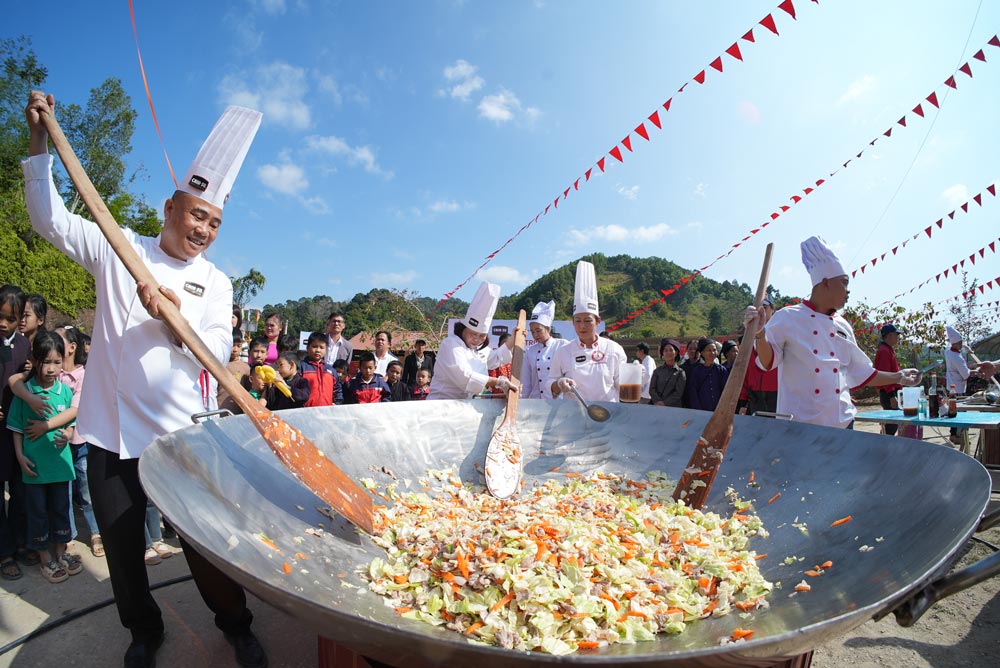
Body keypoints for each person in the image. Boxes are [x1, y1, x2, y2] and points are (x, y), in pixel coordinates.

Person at [24, 93, 267, 668]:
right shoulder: (119, 247)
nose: (204, 229)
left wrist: (174, 318)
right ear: (170, 207)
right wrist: (39, 140)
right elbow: (48, 220)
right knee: (124, 552)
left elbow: (215, 352)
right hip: (110, 438)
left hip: (179, 439)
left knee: (205, 546)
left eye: (214, 222)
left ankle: (236, 625)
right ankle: (143, 632)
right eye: (197, 215)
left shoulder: (217, 283)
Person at [749, 236, 920, 429]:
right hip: (800, 427)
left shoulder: (843, 325)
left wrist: (899, 377)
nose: (848, 291)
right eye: (844, 283)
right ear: (825, 283)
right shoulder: (788, 317)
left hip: (843, 423)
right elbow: (768, 361)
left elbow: (863, 373)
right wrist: (759, 334)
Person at [6, 331, 78, 584]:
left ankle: (61, 552)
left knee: (61, 510)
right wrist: (20, 456)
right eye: (46, 362)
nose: (51, 369)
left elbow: (73, 424)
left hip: (61, 467)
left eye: (57, 362)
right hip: (34, 468)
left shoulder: (66, 392)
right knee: (37, 513)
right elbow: (16, 428)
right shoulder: (25, 393)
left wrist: (68, 434)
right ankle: (45, 558)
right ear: (35, 361)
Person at [547, 261, 627, 402]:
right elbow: (550, 384)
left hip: (609, 412)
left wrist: (635, 377)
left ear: (598, 321)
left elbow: (623, 388)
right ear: (573, 322)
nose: (582, 326)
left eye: (588, 320)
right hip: (573, 412)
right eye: (578, 321)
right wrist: (559, 384)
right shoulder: (563, 351)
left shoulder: (614, 349)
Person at [429, 282, 516, 400]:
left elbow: (496, 358)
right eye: (473, 333)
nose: (476, 339)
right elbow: (464, 377)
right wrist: (498, 382)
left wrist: (513, 339)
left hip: (468, 404)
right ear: (463, 329)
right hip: (443, 403)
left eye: (482, 336)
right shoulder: (451, 344)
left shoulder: (480, 349)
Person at [0, 285, 30, 581]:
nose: (3, 324)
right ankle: (4, 552)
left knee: (20, 489)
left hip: (17, 429)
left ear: (20, 319)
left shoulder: (24, 346)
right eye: (0, 316)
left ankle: (22, 543)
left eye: (10, 319)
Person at [520, 301, 570, 399]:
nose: (535, 335)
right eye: (532, 332)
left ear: (548, 329)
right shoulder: (530, 351)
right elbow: (526, 382)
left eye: (538, 331)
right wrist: (521, 401)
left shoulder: (562, 345)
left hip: (559, 401)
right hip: (536, 401)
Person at [739, 297, 779, 417]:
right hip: (755, 394)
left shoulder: (781, 332)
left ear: (773, 309)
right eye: (757, 308)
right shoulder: (748, 335)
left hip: (777, 394)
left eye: (765, 307)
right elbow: (745, 369)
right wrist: (743, 400)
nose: (760, 311)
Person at [944, 325, 971, 446]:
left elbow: (950, 346)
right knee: (960, 412)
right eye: (959, 343)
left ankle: (953, 435)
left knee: (953, 411)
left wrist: (965, 347)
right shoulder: (957, 358)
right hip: (958, 388)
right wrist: (973, 370)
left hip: (951, 386)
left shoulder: (948, 352)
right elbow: (966, 375)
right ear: (954, 343)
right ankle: (958, 436)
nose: (961, 344)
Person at [299, 331, 343, 407]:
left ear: (326, 350)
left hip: (326, 411)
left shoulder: (331, 370)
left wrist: (337, 404)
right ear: (307, 348)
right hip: (306, 410)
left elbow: (337, 389)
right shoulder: (301, 367)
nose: (318, 350)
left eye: (321, 347)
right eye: (314, 346)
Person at [873, 324, 902, 436]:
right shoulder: (884, 351)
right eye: (896, 335)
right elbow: (885, 375)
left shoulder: (887, 349)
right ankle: (884, 444)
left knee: (891, 424)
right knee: (891, 425)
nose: (897, 337)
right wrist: (891, 396)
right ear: (889, 335)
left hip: (891, 391)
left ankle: (884, 441)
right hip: (889, 392)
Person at [687, 339, 728, 411]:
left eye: (714, 350)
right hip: (702, 411)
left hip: (719, 410)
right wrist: (698, 410)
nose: (712, 353)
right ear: (702, 353)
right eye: (709, 350)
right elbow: (693, 392)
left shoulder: (721, 370)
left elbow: (726, 391)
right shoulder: (697, 371)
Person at [219, 328, 251, 414]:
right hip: (218, 410)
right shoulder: (219, 364)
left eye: (238, 346)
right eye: (232, 345)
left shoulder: (245, 368)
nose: (235, 349)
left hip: (237, 413)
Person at [648, 339, 686, 407]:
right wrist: (658, 401)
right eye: (665, 350)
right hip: (657, 407)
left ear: (676, 353)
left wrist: (664, 403)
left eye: (671, 350)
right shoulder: (657, 371)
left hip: (673, 408)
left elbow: (678, 393)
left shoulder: (681, 373)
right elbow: (652, 389)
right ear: (663, 353)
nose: (668, 352)